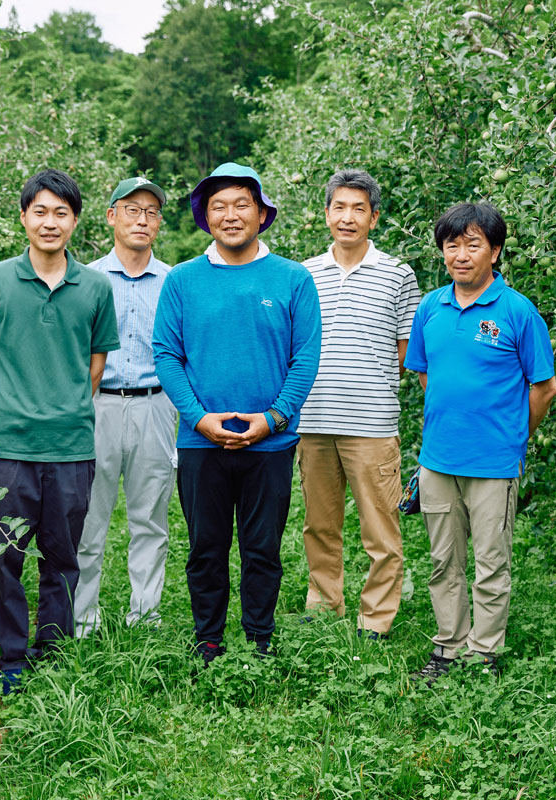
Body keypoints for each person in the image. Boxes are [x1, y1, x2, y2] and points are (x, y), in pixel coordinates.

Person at [152, 162, 321, 664]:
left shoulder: (293, 278)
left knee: (262, 548)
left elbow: (305, 356)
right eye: (218, 206)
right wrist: (198, 417)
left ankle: (259, 638)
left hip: (270, 443)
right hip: (201, 441)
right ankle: (208, 638)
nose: (230, 215)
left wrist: (274, 418)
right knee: (205, 547)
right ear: (205, 217)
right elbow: (167, 354)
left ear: (262, 213)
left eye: (241, 204)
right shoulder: (182, 280)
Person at [0, 169, 120, 694]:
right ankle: (10, 657)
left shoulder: (95, 287)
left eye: (61, 213)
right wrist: (1, 413)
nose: (50, 223)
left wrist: (63, 408)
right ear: (24, 217)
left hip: (71, 447)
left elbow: (95, 366)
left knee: (63, 558)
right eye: (41, 212)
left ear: (75, 221)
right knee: (5, 558)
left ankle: (52, 654)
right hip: (8, 447)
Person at [403, 201, 556, 681]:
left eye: (473, 244)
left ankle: (483, 653)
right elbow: (426, 374)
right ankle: (448, 648)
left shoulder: (517, 311)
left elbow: (544, 387)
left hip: (493, 462)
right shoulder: (431, 306)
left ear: (495, 251)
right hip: (437, 460)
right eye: (453, 245)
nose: (462, 255)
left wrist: (514, 436)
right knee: (443, 561)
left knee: (491, 563)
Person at [297, 169, 420, 639]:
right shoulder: (304, 274)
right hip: (313, 421)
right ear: (327, 213)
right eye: (339, 207)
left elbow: (406, 351)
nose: (348, 217)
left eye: (358, 209)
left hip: (372, 424)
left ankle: (377, 619)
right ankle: (323, 605)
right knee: (319, 526)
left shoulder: (398, 274)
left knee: (381, 530)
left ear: (374, 217)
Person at [73, 177, 175, 637]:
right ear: (111, 216)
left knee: (150, 519)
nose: (142, 219)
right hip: (96, 405)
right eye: (132, 209)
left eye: (151, 212)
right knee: (87, 519)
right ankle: (82, 620)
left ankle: (145, 618)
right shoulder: (85, 279)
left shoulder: (174, 282)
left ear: (159, 223)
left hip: (156, 405)